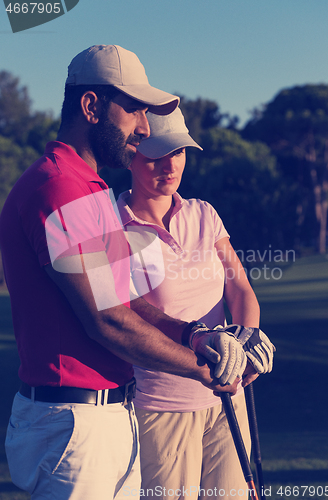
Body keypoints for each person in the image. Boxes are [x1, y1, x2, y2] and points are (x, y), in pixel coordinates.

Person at [0, 45, 247, 500]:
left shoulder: (88, 188)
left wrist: (195, 335)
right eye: (134, 110)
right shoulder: (59, 188)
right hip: (72, 426)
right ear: (91, 107)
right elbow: (107, 319)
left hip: (106, 418)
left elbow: (126, 301)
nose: (145, 128)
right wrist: (204, 369)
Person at [116, 107, 275, 499]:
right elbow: (130, 310)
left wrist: (248, 335)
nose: (170, 166)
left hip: (227, 397)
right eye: (156, 155)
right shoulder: (115, 226)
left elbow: (239, 289)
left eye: (180, 152)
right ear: (131, 154)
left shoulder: (204, 214)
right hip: (161, 406)